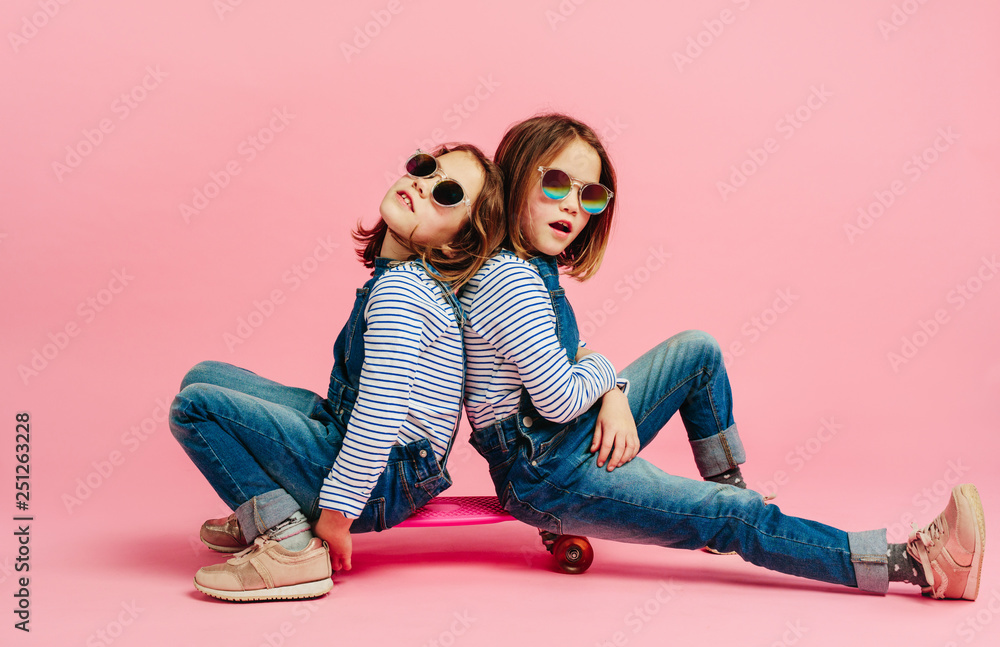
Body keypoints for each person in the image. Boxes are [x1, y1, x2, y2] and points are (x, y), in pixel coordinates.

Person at [459, 114, 985, 600]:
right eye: (555, 184)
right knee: (737, 516)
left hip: (566, 439)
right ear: (515, 176)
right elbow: (559, 397)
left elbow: (568, 359)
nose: (573, 206)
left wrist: (612, 391)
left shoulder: (523, 268)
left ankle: (730, 500)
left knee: (697, 352)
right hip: (547, 473)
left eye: (589, 194)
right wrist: (607, 380)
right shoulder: (510, 282)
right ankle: (920, 567)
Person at [169, 144, 504, 602]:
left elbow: (380, 414)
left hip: (384, 476)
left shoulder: (402, 295)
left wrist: (338, 514)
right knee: (202, 375)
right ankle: (277, 504)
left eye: (446, 192)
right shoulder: (399, 278)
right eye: (426, 169)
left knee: (193, 408)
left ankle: (288, 542)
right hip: (366, 445)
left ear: (455, 242)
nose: (423, 184)